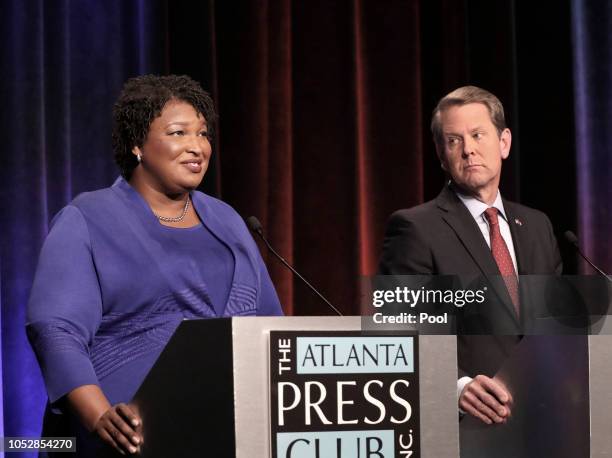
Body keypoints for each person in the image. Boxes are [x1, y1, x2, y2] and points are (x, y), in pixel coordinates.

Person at [26, 74, 284, 456]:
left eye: (203, 134)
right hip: (131, 441)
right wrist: (98, 416)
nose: (198, 147)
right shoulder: (89, 218)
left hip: (234, 433)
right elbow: (56, 329)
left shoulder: (228, 221)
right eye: (179, 133)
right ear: (137, 145)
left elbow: (269, 328)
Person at [378, 86, 562, 425]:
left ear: (504, 142)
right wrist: (457, 387)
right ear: (440, 154)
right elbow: (395, 333)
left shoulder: (537, 226)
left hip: (544, 421)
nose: (468, 150)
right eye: (453, 141)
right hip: (466, 427)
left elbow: (554, 326)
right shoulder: (414, 228)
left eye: (477, 135)